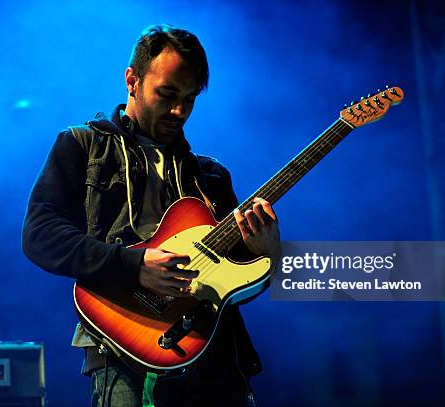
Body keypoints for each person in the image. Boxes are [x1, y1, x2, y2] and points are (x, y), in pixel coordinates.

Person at [22, 24, 280, 407]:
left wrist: (267, 251)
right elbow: (40, 236)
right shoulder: (82, 146)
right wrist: (133, 264)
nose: (179, 110)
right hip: (123, 350)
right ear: (132, 80)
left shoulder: (211, 176)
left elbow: (236, 282)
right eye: (168, 94)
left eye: (190, 99)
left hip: (213, 354)